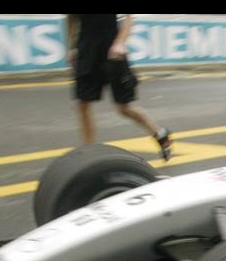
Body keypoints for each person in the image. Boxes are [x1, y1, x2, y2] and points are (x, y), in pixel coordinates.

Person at [66, 14, 173, 161]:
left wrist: (120, 42)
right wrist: (71, 46)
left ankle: (160, 134)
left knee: (124, 108)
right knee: (82, 103)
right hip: (86, 50)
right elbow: (71, 18)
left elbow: (129, 17)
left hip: (112, 51)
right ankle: (89, 151)